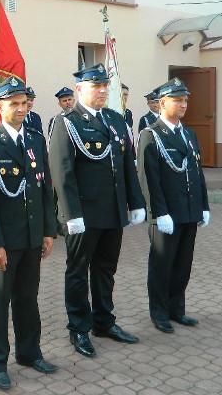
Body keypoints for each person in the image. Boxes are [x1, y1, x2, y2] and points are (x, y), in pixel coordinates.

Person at [49, 63, 146, 358]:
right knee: (78, 272)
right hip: (84, 214)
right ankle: (79, 327)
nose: (103, 90)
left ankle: (104, 322)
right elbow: (62, 173)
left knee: (106, 269)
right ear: (80, 89)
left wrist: (136, 202)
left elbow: (127, 165)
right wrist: (71, 214)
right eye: (96, 86)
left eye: (105, 85)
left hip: (112, 211)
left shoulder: (116, 120)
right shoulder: (67, 123)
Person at [0, 78, 58, 390]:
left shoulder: (35, 140)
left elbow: (45, 189)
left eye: (24, 103)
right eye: (13, 104)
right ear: (0, 107)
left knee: (28, 299)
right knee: (0, 302)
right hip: (5, 243)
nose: (21, 109)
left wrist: (48, 231)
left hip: (32, 237)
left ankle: (29, 353)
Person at [137, 78, 210, 334]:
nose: (183, 104)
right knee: (162, 265)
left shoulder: (189, 134)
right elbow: (149, 178)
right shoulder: (151, 134)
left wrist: (204, 205)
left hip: (189, 210)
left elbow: (197, 172)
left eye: (185, 100)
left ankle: (177, 309)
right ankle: (159, 312)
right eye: (178, 100)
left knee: (182, 264)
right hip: (166, 213)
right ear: (162, 103)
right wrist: (159, 213)